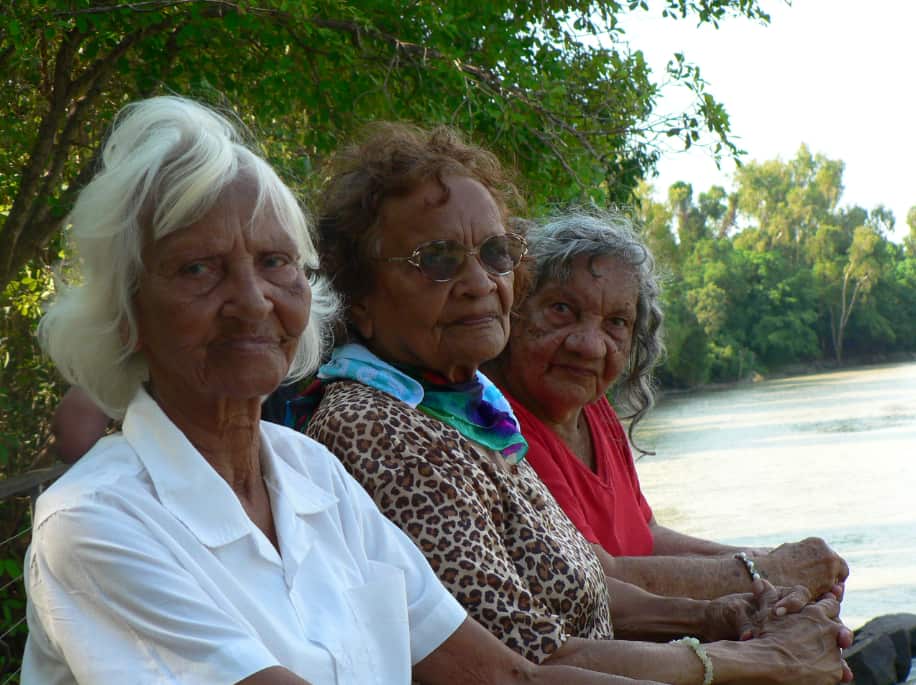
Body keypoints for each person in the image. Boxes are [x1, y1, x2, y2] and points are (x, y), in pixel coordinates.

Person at [23, 96, 655, 685]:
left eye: (274, 262)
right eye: (198, 268)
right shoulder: (95, 522)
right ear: (126, 316)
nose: (251, 302)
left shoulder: (312, 474)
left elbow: (508, 675)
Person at [296, 121, 852, 684]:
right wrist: (765, 658)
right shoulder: (381, 433)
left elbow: (578, 582)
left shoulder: (468, 411)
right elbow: (529, 663)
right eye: (437, 259)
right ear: (358, 297)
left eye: (494, 253)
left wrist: (730, 612)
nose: (479, 282)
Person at [482, 211, 850, 600]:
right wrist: (768, 573)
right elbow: (599, 579)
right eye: (561, 309)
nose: (589, 346)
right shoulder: (501, 429)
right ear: (515, 309)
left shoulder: (593, 408)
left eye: (617, 323)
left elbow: (648, 537)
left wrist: (767, 562)